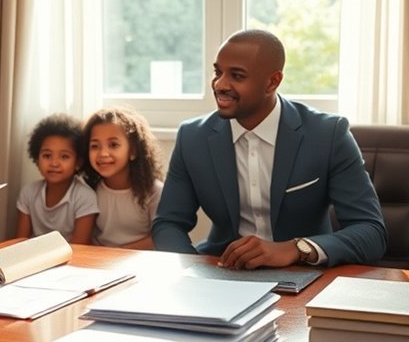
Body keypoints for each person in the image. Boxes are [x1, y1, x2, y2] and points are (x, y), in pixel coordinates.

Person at [152, 29, 387, 268]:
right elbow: (168, 223)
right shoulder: (193, 137)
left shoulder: (328, 134)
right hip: (224, 268)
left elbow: (371, 232)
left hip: (303, 271)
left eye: (237, 76)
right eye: (218, 72)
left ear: (272, 82)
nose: (220, 84)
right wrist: (192, 271)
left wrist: (296, 249)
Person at [83, 107, 164, 249]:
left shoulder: (154, 191)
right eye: (95, 146)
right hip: (98, 258)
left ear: (133, 151)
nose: (103, 153)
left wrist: (117, 254)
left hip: (140, 258)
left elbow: (159, 237)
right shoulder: (88, 189)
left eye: (113, 145)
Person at [15, 113, 98, 244]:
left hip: (71, 255)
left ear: (78, 162)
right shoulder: (28, 192)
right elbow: (20, 241)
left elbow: (80, 245)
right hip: (34, 254)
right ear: (37, 160)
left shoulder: (85, 197)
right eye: (47, 156)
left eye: (64, 157)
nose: (54, 163)